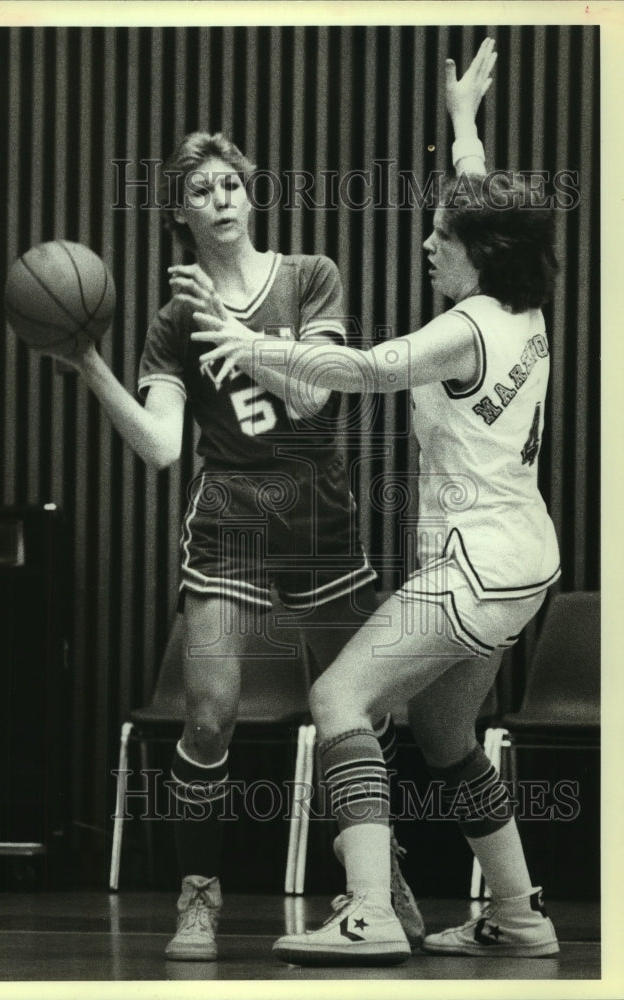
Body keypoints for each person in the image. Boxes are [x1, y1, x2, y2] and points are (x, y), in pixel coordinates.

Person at [192, 37, 562, 965]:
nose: (428, 240)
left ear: (480, 255)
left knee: (338, 694)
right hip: (527, 561)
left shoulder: (461, 328)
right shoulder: (521, 305)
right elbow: (476, 202)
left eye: (443, 236)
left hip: (476, 564)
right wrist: (464, 127)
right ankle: (517, 913)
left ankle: (368, 913)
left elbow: (363, 369)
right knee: (443, 728)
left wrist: (255, 343)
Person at [40, 132, 424, 959]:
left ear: (251, 196)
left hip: (317, 508)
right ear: (180, 212)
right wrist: (91, 365)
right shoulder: (173, 320)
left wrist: (234, 331)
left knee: (360, 709)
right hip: (229, 518)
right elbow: (161, 447)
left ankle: (376, 874)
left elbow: (316, 402)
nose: (218, 198)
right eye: (200, 190)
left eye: (229, 185)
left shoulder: (309, 275)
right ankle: (197, 896)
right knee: (207, 717)